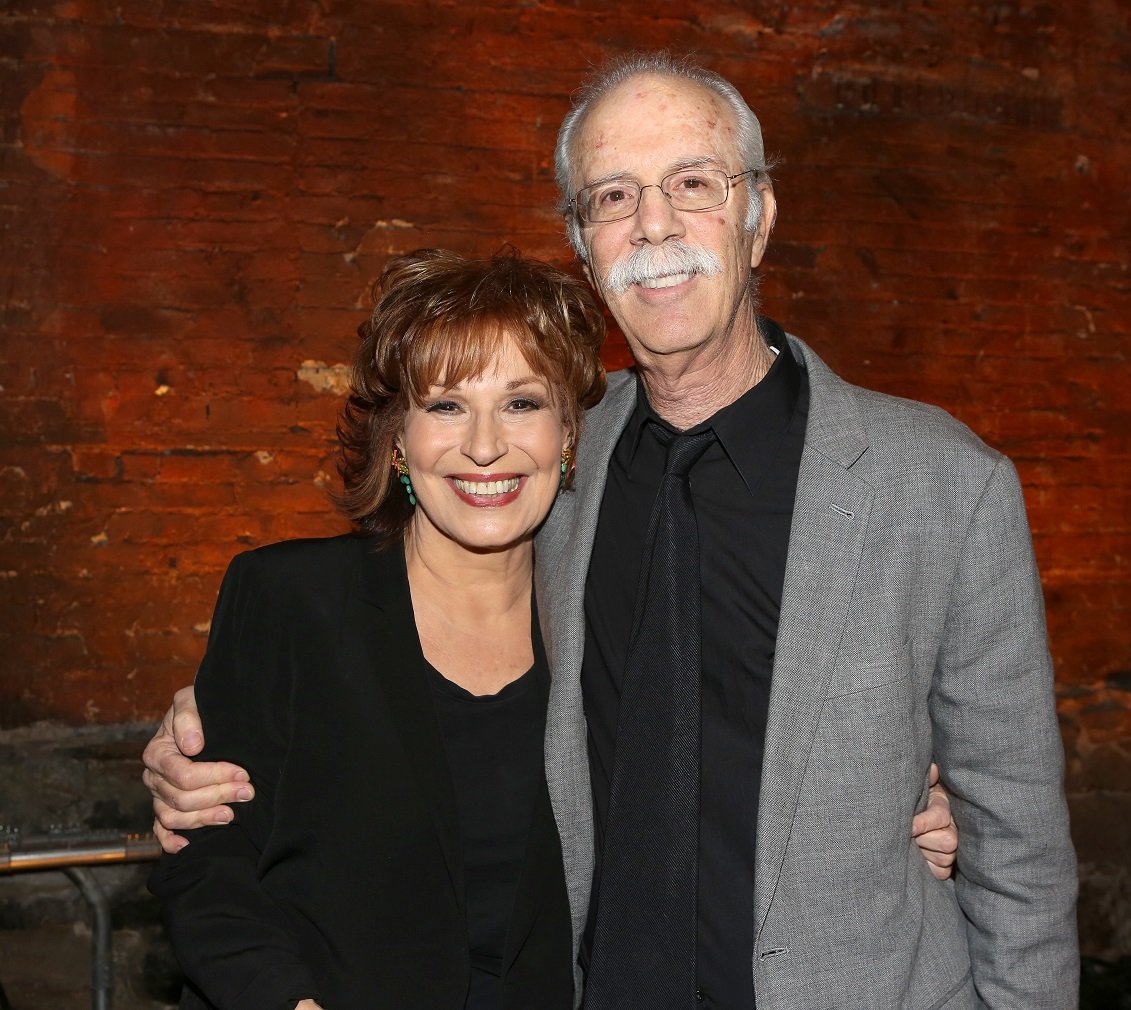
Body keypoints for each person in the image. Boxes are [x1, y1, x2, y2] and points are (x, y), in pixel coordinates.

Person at [138, 49, 1071, 1009]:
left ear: (760, 217)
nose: (654, 224)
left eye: (693, 184)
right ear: (586, 249)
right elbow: (378, 667)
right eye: (613, 197)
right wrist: (192, 745)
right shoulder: (554, 462)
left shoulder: (944, 487)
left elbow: (1020, 843)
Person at [147, 248, 608, 1009]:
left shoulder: (607, 628)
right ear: (398, 440)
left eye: (522, 403)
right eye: (447, 405)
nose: (485, 445)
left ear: (567, 437)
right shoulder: (291, 598)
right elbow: (208, 860)